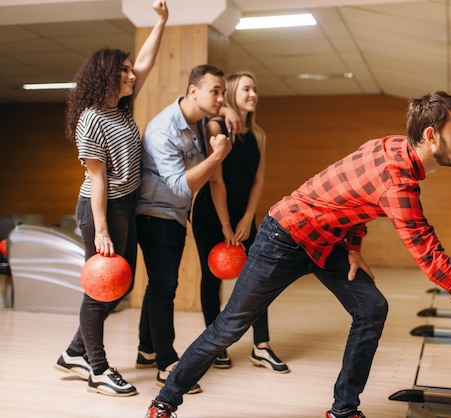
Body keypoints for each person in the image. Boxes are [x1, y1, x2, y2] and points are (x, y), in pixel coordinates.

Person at [144, 91, 451, 418]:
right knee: (230, 326)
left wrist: (353, 249)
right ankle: (165, 402)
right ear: (430, 136)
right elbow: (434, 264)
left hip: (328, 243)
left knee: (372, 309)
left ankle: (343, 409)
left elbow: (353, 200)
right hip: (282, 237)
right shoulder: (400, 184)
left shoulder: (392, 145)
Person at [54, 0, 168, 397]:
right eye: (122, 70)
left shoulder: (120, 110)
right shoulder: (91, 119)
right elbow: (97, 180)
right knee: (101, 288)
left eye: (128, 69)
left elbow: (146, 63)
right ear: (105, 75)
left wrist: (161, 21)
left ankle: (73, 352)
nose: (131, 74)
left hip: (124, 206)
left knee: (119, 286)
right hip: (100, 210)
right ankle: (97, 368)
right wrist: (101, 229)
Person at [135, 64, 237, 394]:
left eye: (223, 92)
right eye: (216, 91)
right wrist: (217, 157)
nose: (221, 98)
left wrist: (226, 113)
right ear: (194, 91)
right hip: (155, 216)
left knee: (158, 285)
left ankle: (146, 349)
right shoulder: (164, 128)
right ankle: (167, 363)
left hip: (175, 217)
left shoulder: (195, 122)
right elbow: (181, 187)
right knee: (166, 287)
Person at [191, 71, 289, 373]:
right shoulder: (216, 126)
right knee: (212, 279)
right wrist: (225, 225)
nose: (253, 95)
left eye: (255, 89)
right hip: (211, 213)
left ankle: (261, 347)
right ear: (232, 93)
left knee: (259, 279)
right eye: (246, 89)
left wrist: (247, 217)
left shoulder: (258, 133)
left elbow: (258, 179)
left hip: (245, 216)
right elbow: (216, 178)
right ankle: (214, 345)